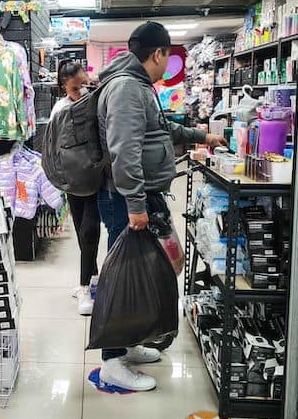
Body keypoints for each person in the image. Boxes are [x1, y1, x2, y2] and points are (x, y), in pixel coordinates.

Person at [96, 21, 227, 391]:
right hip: (126, 200)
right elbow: (124, 150)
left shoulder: (139, 86)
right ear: (157, 54)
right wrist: (136, 204)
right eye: (168, 57)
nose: (167, 65)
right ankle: (111, 362)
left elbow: (161, 129)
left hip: (138, 196)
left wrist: (202, 136)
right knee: (124, 279)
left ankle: (128, 344)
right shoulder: (127, 88)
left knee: (143, 273)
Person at [53, 60, 101, 316]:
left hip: (96, 177)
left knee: (90, 231)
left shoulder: (95, 101)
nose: (81, 91)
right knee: (83, 233)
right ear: (64, 87)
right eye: (75, 88)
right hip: (73, 180)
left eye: (84, 84)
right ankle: (92, 279)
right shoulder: (60, 109)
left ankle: (85, 286)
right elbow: (52, 147)